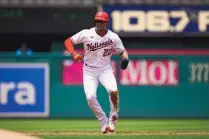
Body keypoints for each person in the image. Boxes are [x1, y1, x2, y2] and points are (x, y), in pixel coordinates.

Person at [64, 11, 129, 134]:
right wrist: (73, 53)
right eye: (97, 21)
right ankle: (103, 121)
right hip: (89, 70)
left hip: (105, 69)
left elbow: (122, 51)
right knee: (90, 97)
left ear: (106, 23)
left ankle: (113, 118)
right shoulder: (86, 33)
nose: (99, 24)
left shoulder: (113, 37)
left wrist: (125, 58)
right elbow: (68, 41)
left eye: (101, 22)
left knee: (113, 91)